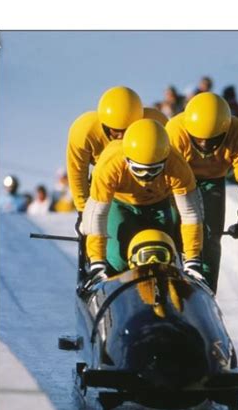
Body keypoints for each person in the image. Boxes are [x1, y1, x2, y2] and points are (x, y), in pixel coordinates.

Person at [81, 118, 204, 282]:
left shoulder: (178, 166)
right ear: (127, 161)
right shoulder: (109, 166)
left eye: (153, 171)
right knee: (118, 261)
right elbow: (97, 214)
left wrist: (192, 260)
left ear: (165, 161)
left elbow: (190, 213)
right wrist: (97, 262)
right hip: (120, 204)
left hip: (159, 202)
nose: (146, 178)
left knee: (164, 253)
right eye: (140, 170)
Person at [166, 92, 238, 293]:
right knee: (174, 229)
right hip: (177, 182)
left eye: (211, 141)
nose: (204, 146)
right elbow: (162, 172)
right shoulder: (175, 131)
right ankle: (170, 281)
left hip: (213, 181)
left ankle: (207, 289)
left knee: (210, 236)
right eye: (198, 140)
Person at [66, 86, 144, 257]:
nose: (122, 138)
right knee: (111, 247)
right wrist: (83, 211)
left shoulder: (155, 125)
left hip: (144, 189)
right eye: (116, 132)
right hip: (106, 189)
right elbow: (77, 172)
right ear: (103, 125)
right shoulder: (83, 131)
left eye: (128, 131)